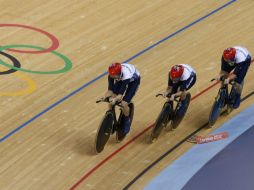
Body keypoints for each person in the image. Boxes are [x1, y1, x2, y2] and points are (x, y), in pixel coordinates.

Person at [103, 62, 140, 134]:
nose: (111, 76)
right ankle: (110, 118)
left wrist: (115, 99)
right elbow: (110, 90)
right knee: (111, 101)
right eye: (111, 75)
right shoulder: (111, 75)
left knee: (124, 104)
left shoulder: (126, 75)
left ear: (118, 73)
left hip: (133, 81)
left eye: (113, 76)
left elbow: (120, 95)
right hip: (120, 80)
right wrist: (105, 97)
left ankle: (127, 120)